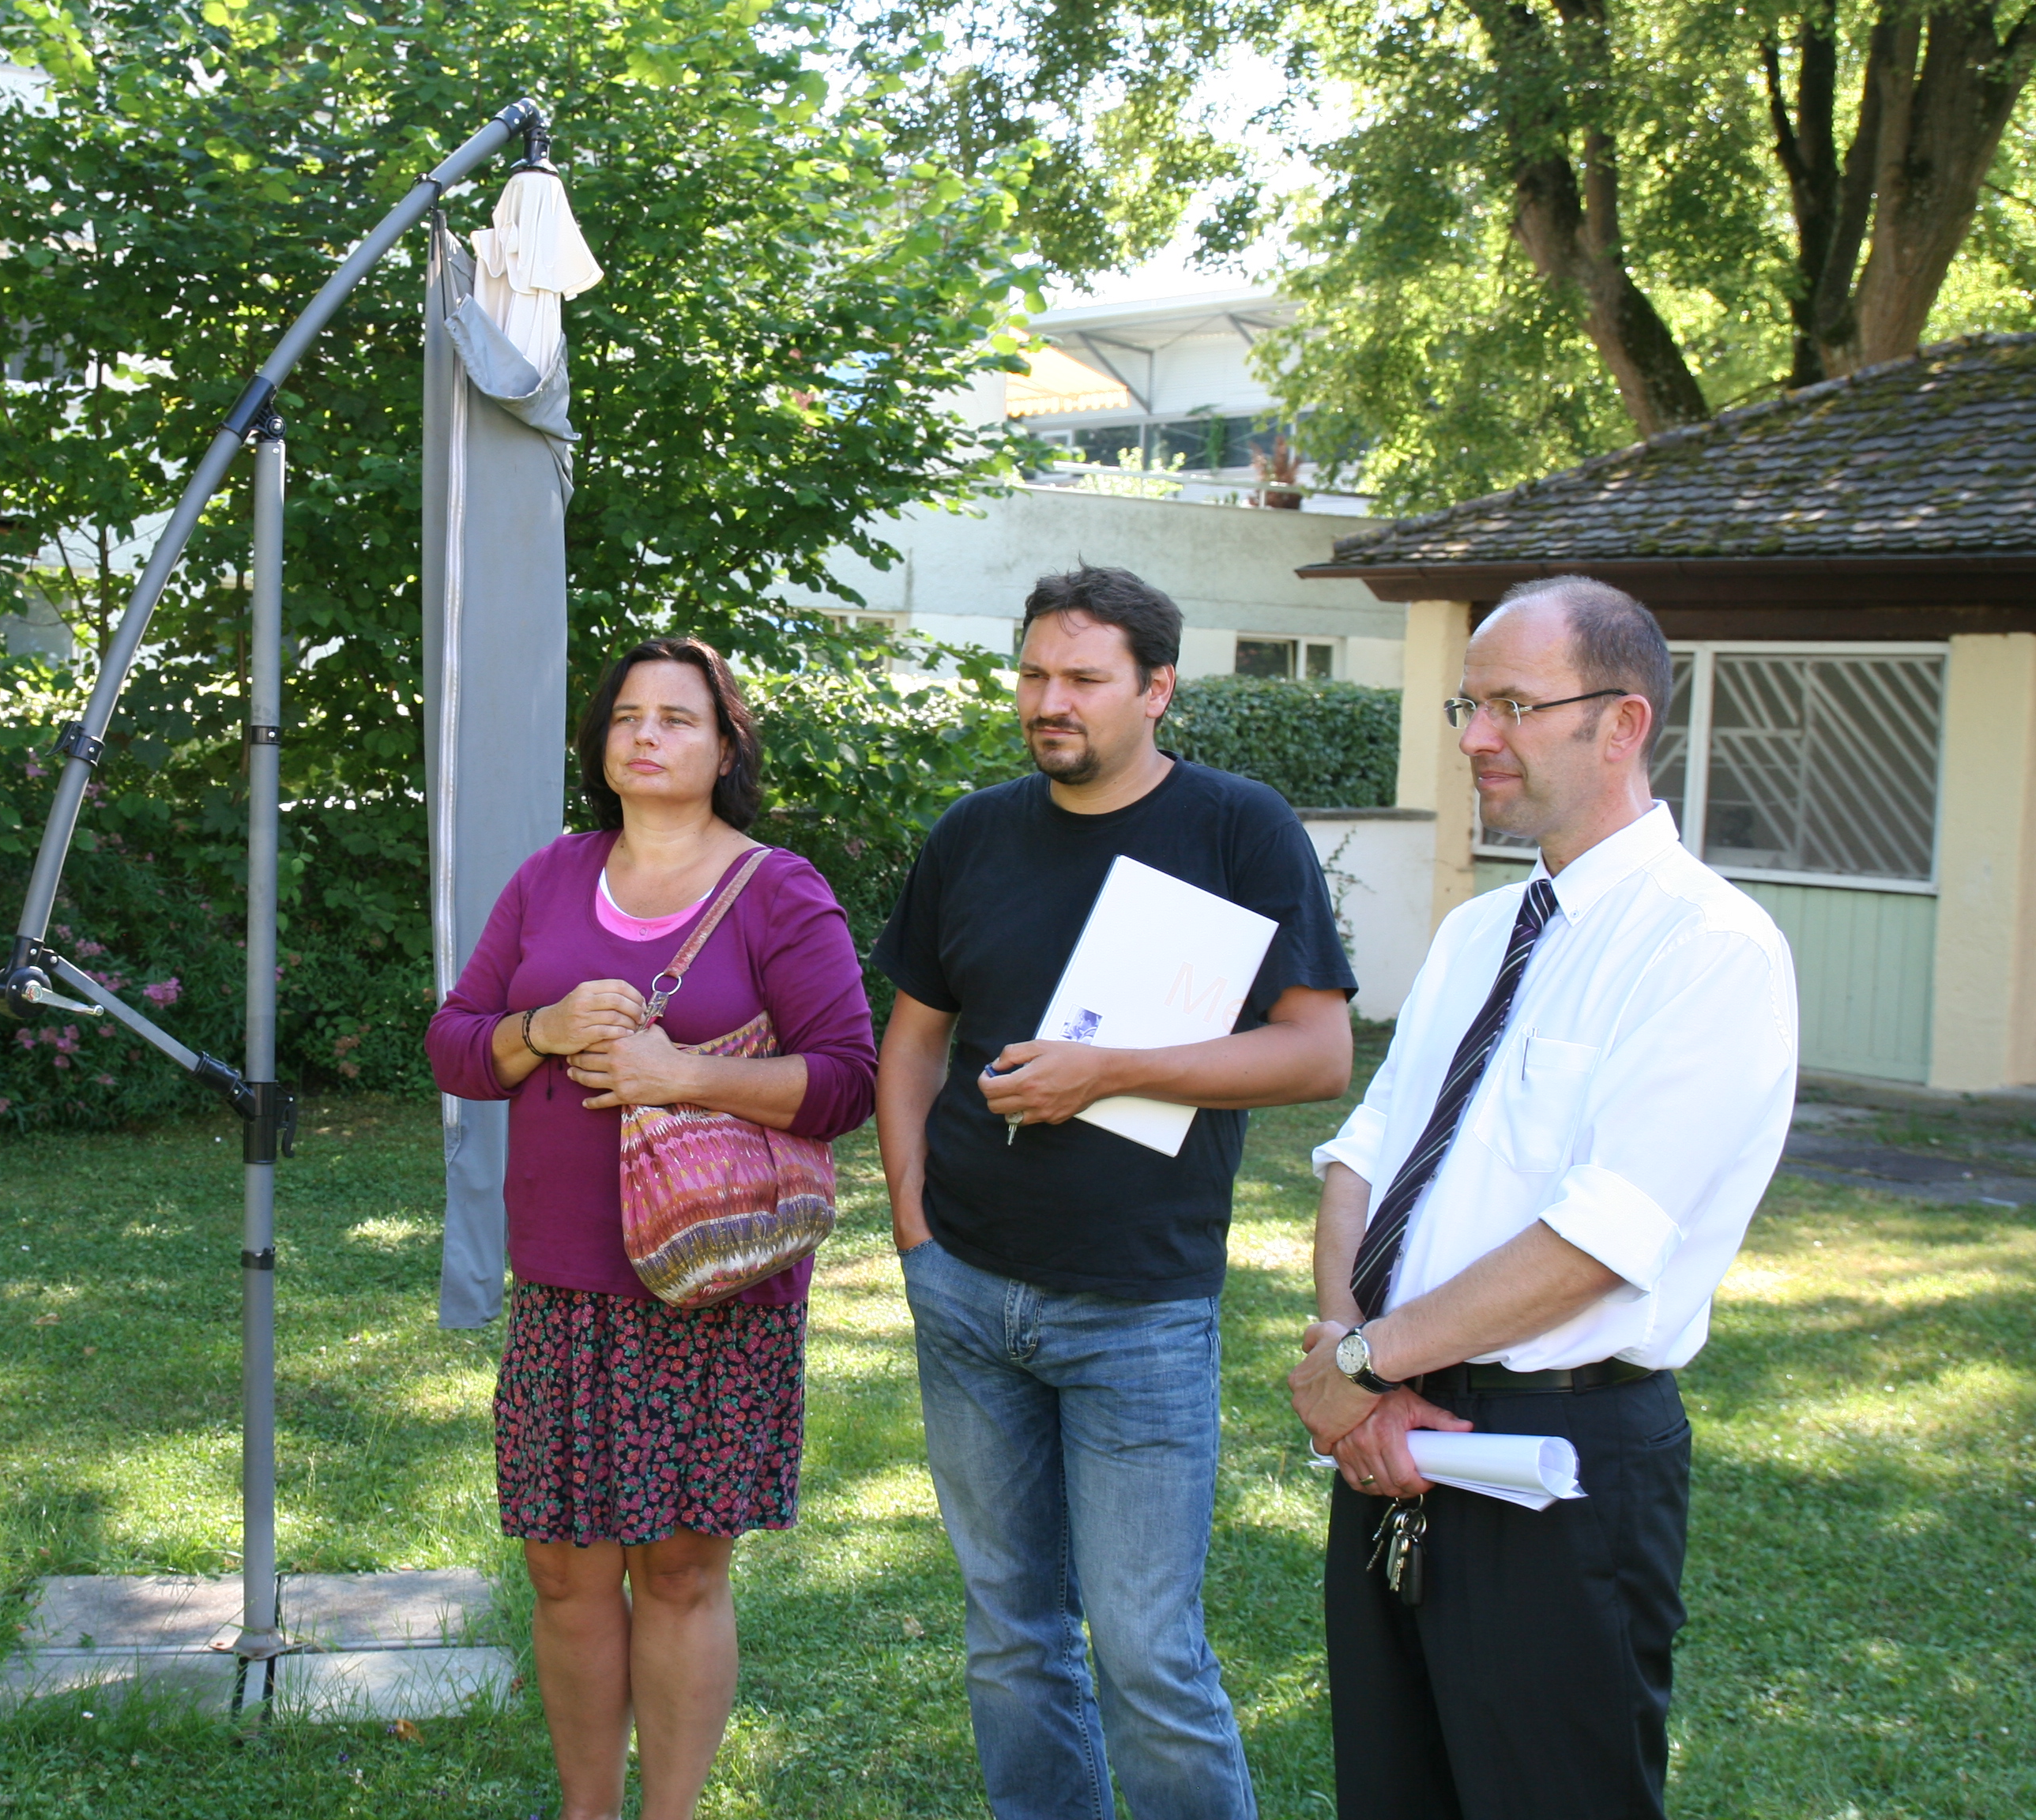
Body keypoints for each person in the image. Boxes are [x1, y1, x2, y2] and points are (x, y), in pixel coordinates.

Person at [1285, 578, 1796, 1820]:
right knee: (1394, 1796)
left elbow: (1598, 1245)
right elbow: (1362, 1161)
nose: (1473, 736)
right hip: (1397, 1445)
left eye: (1512, 705)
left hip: (1564, 1464)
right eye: (1471, 702)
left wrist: (1361, 1361)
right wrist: (1369, 1385)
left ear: (1620, 726)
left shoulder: (1709, 951)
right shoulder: (1476, 934)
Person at [874, 566, 1357, 1820]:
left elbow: (1316, 1051)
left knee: (1147, 1651)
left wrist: (1109, 1072)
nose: (1049, 700)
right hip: (968, 1289)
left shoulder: (1240, 829)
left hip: (1138, 1309)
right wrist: (915, 1226)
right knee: (1011, 1635)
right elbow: (915, 1042)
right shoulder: (973, 834)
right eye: (1035, 674)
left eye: (1082, 679)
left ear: (1157, 688)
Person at [425, 635, 876, 1820]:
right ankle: (587, 1811)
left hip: (711, 1287)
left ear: (726, 747)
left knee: (679, 1572)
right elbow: (456, 1044)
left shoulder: (779, 889)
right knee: (565, 1574)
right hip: (564, 1284)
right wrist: (545, 1025)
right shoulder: (550, 880)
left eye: (678, 718)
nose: (647, 735)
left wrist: (684, 1073)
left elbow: (846, 1080)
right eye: (628, 716)